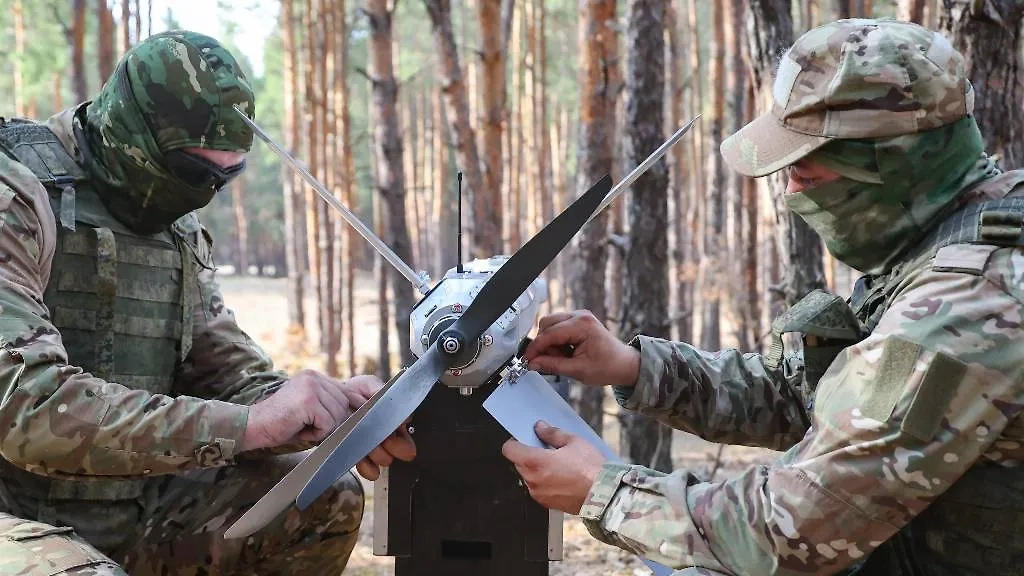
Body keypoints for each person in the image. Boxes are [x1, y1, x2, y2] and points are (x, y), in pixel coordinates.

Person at [502, 17, 1024, 576]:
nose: (790, 186)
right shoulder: (938, 238)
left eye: (805, 166)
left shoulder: (969, 305)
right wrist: (633, 366)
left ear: (896, 161)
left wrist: (604, 492)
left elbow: (796, 530)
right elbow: (824, 402)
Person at [0, 31, 415, 575]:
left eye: (228, 175)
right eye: (196, 173)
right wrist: (248, 427)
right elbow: (24, 409)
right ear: (132, 131)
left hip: (130, 509)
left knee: (321, 495)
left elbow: (225, 370)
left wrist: (325, 413)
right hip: (11, 517)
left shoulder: (176, 229)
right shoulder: (18, 194)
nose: (207, 192)